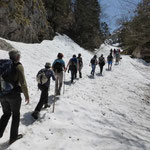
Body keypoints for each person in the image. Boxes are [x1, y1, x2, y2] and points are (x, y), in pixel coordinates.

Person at [0, 50, 29, 145]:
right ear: (16, 57)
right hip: (14, 95)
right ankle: (13, 137)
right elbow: (23, 83)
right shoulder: (18, 66)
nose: (19, 57)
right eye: (19, 55)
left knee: (6, 114)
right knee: (16, 114)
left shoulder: (3, 65)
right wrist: (26, 95)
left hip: (2, 94)